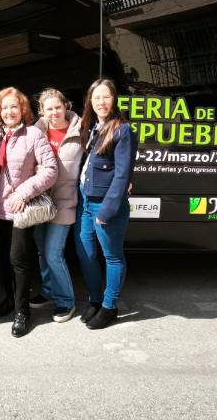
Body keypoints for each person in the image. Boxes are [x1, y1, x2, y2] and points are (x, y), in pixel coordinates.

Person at [0, 86, 57, 338]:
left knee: (19, 260)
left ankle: (22, 311)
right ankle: (10, 299)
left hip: (21, 208)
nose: (9, 111)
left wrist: (23, 193)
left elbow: (50, 170)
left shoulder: (33, 135)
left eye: (14, 107)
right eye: (4, 107)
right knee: (3, 259)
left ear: (23, 110)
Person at [74, 78, 137, 330]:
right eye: (96, 97)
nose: (101, 102)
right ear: (90, 100)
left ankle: (110, 307)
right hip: (85, 200)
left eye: (106, 96)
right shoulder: (92, 128)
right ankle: (95, 300)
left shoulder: (123, 130)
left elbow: (123, 175)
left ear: (114, 99)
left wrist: (108, 210)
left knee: (112, 256)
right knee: (85, 253)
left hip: (105, 205)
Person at [30, 88, 83, 323]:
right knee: (42, 251)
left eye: (58, 107)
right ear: (42, 111)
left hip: (64, 200)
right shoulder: (35, 131)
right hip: (40, 201)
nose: (54, 113)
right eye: (49, 109)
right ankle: (49, 289)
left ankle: (66, 301)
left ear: (66, 106)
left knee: (53, 253)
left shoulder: (80, 131)